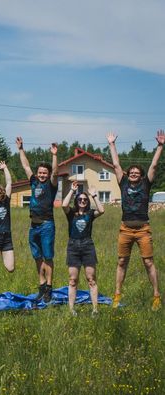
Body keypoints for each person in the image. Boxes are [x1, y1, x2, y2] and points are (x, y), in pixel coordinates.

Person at [108, 130, 165, 310]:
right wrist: (112, 144)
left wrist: (160, 146)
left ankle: (156, 296)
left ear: (140, 176)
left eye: (136, 172)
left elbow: (154, 166)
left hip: (143, 230)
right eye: (131, 172)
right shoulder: (123, 183)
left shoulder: (145, 184)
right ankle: (117, 295)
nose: (133, 174)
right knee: (122, 262)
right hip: (125, 229)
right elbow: (116, 165)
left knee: (148, 262)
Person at [16, 136, 58, 303]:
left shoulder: (51, 185)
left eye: (44, 173)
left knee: (48, 257)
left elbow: (55, 172)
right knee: (37, 257)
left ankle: (49, 287)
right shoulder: (33, 181)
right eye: (40, 172)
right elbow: (26, 165)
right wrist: (20, 149)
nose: (41, 175)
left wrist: (54, 155)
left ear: (47, 175)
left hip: (47, 225)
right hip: (33, 226)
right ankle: (41, 287)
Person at [61, 181, 104, 316]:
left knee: (91, 279)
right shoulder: (71, 213)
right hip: (73, 247)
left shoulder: (90, 214)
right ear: (76, 200)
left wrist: (94, 196)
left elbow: (102, 210)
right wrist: (72, 191)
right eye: (80, 199)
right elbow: (63, 204)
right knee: (73, 280)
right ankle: (72, 309)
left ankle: (95, 310)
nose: (83, 201)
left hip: (87, 246)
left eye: (85, 199)